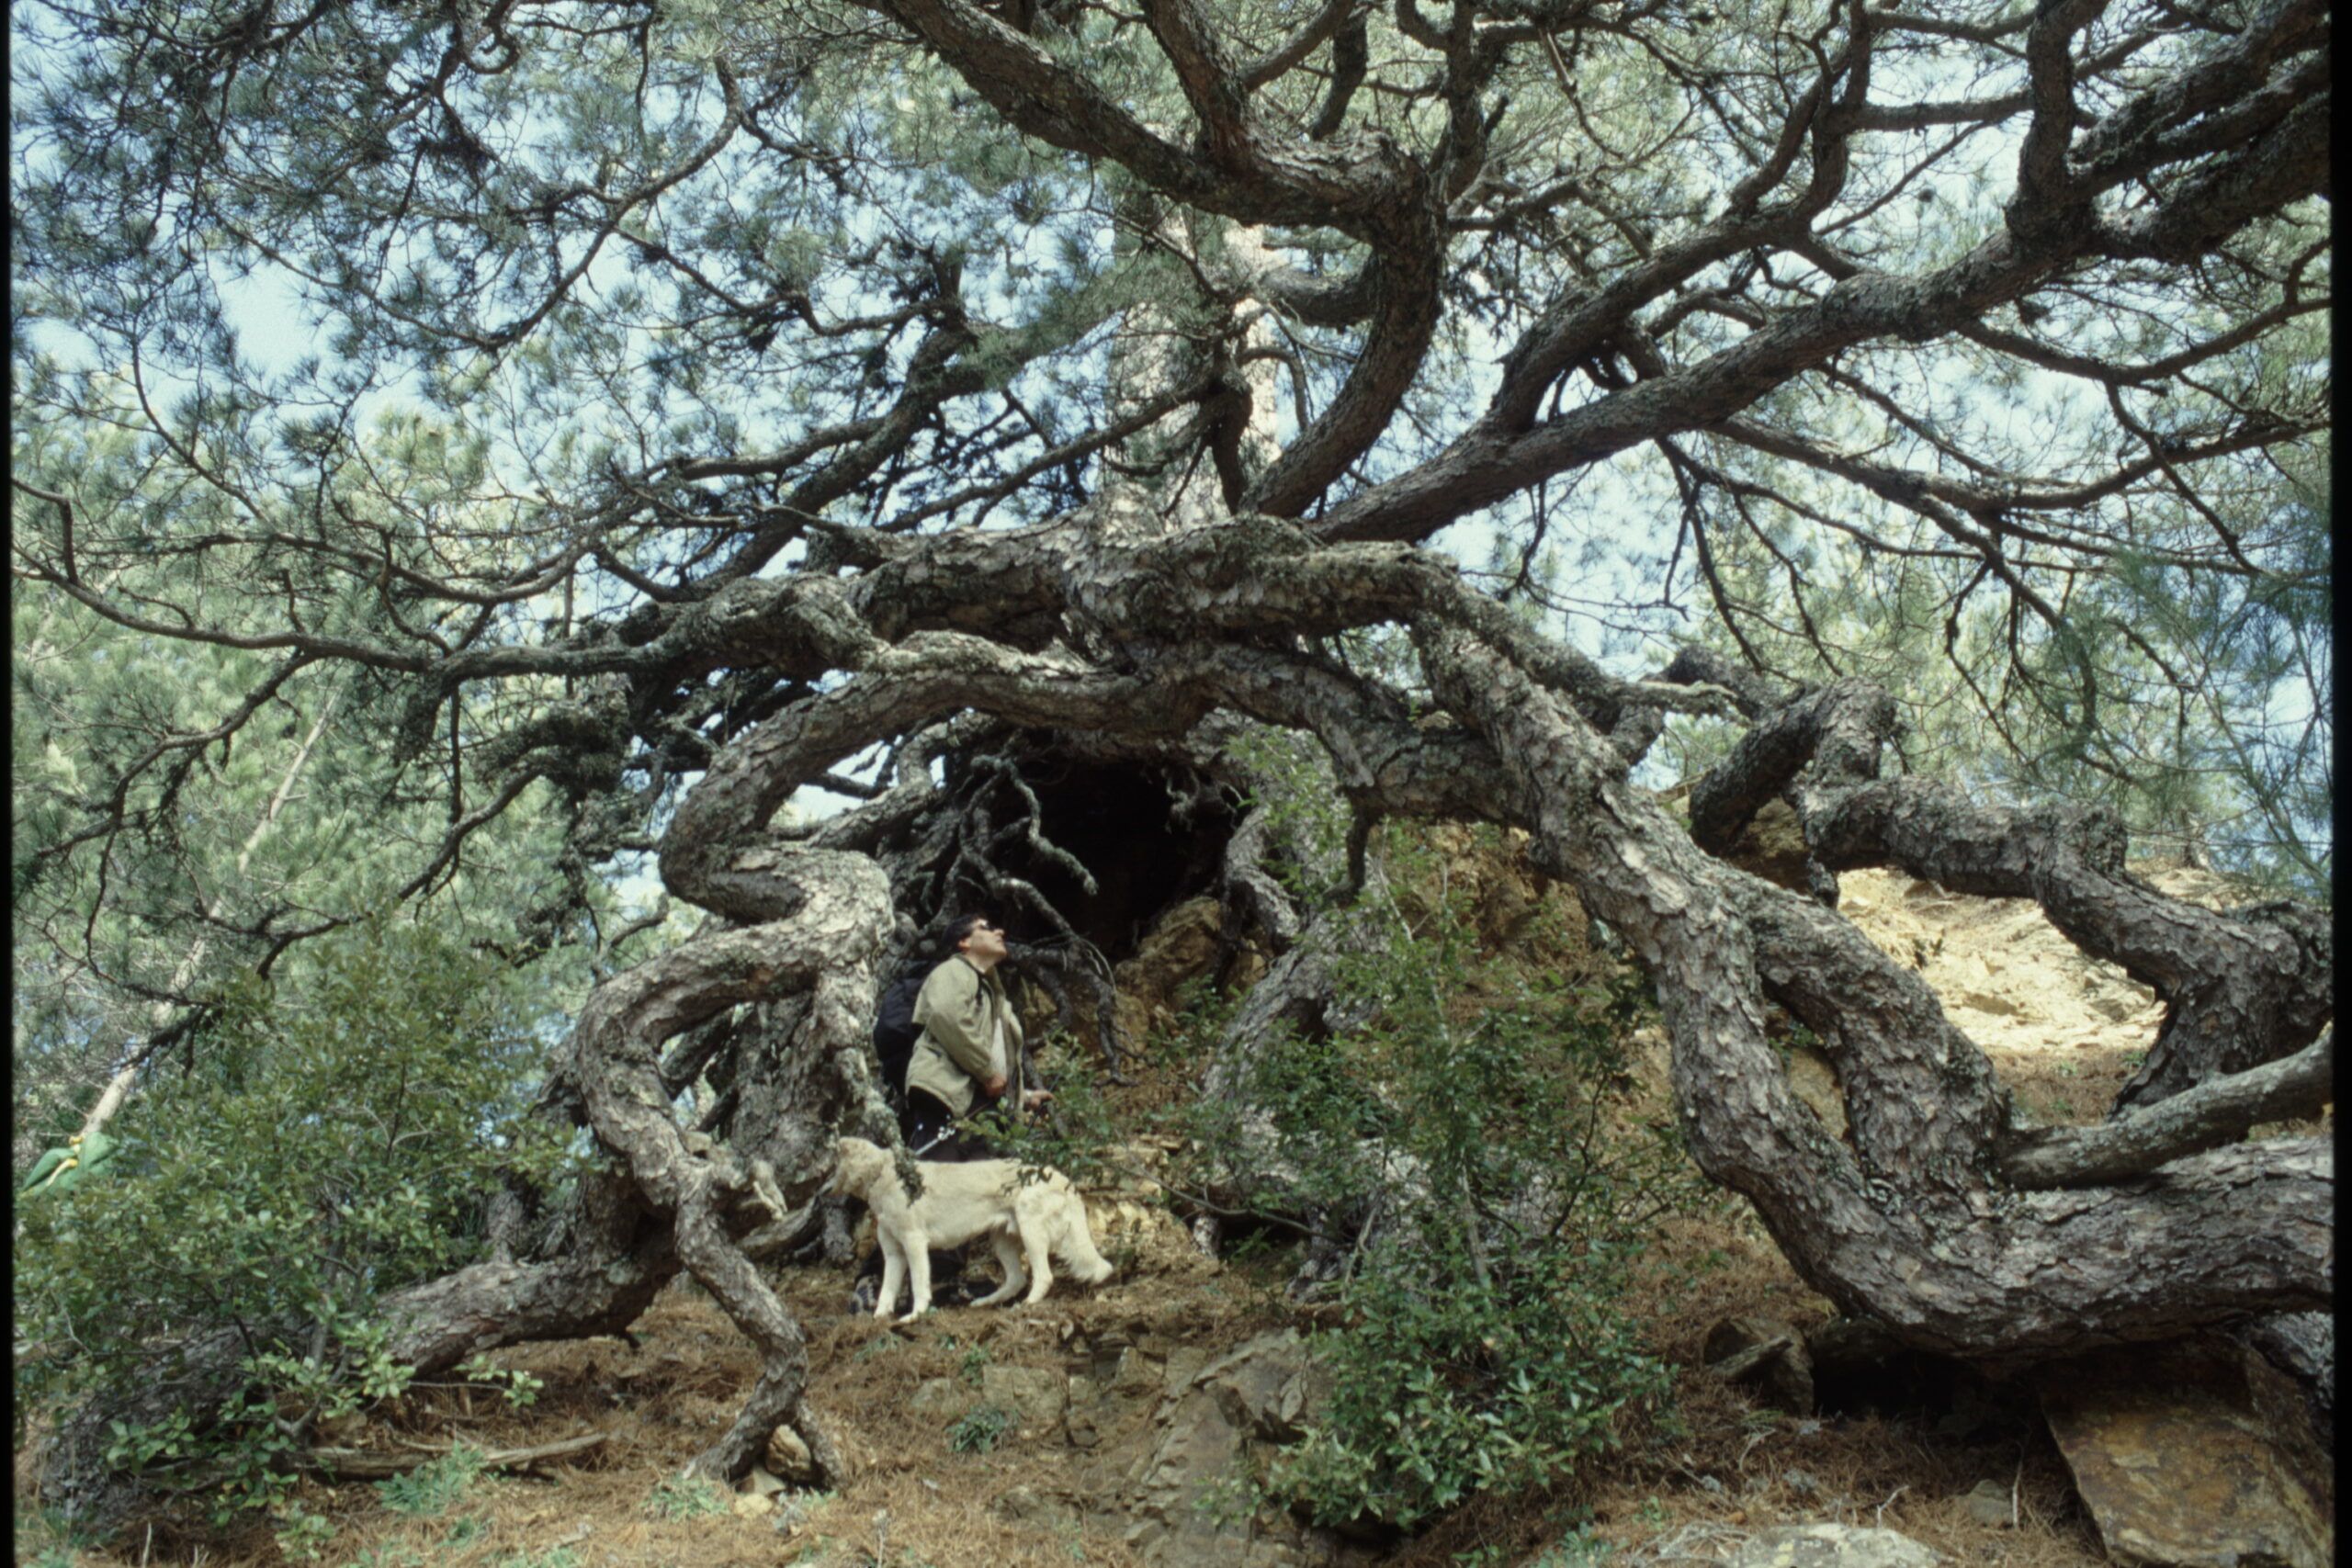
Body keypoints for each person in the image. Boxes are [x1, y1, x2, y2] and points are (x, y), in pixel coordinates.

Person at [902, 913, 1052, 1158]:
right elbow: (946, 1013)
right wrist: (987, 1072)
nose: (999, 932)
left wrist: (1023, 1098)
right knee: (938, 1178)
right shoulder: (954, 970)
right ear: (964, 942)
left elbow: (995, 1063)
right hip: (946, 1098)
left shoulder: (990, 992)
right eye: (988, 927)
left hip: (976, 1105)